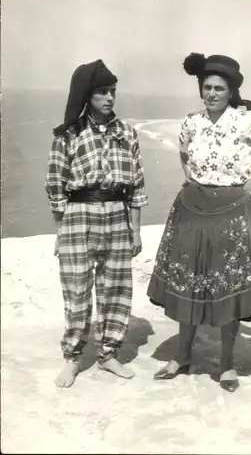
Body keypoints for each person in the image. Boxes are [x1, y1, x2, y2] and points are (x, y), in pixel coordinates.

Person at [147, 53, 251, 392]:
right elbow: (183, 149)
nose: (212, 93)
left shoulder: (248, 122)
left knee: (227, 287)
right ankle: (181, 356)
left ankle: (226, 365)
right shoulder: (191, 122)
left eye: (219, 88)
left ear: (231, 92)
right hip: (192, 209)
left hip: (233, 210)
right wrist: (189, 177)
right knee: (188, 283)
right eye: (207, 87)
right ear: (201, 90)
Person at [45, 59, 148, 387]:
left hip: (118, 215)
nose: (109, 98)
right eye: (102, 92)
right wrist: (60, 232)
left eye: (112, 92)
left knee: (116, 288)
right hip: (78, 217)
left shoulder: (127, 133)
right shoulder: (69, 135)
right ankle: (73, 358)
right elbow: (55, 183)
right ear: (87, 96)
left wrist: (137, 229)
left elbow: (137, 186)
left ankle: (108, 355)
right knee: (77, 289)